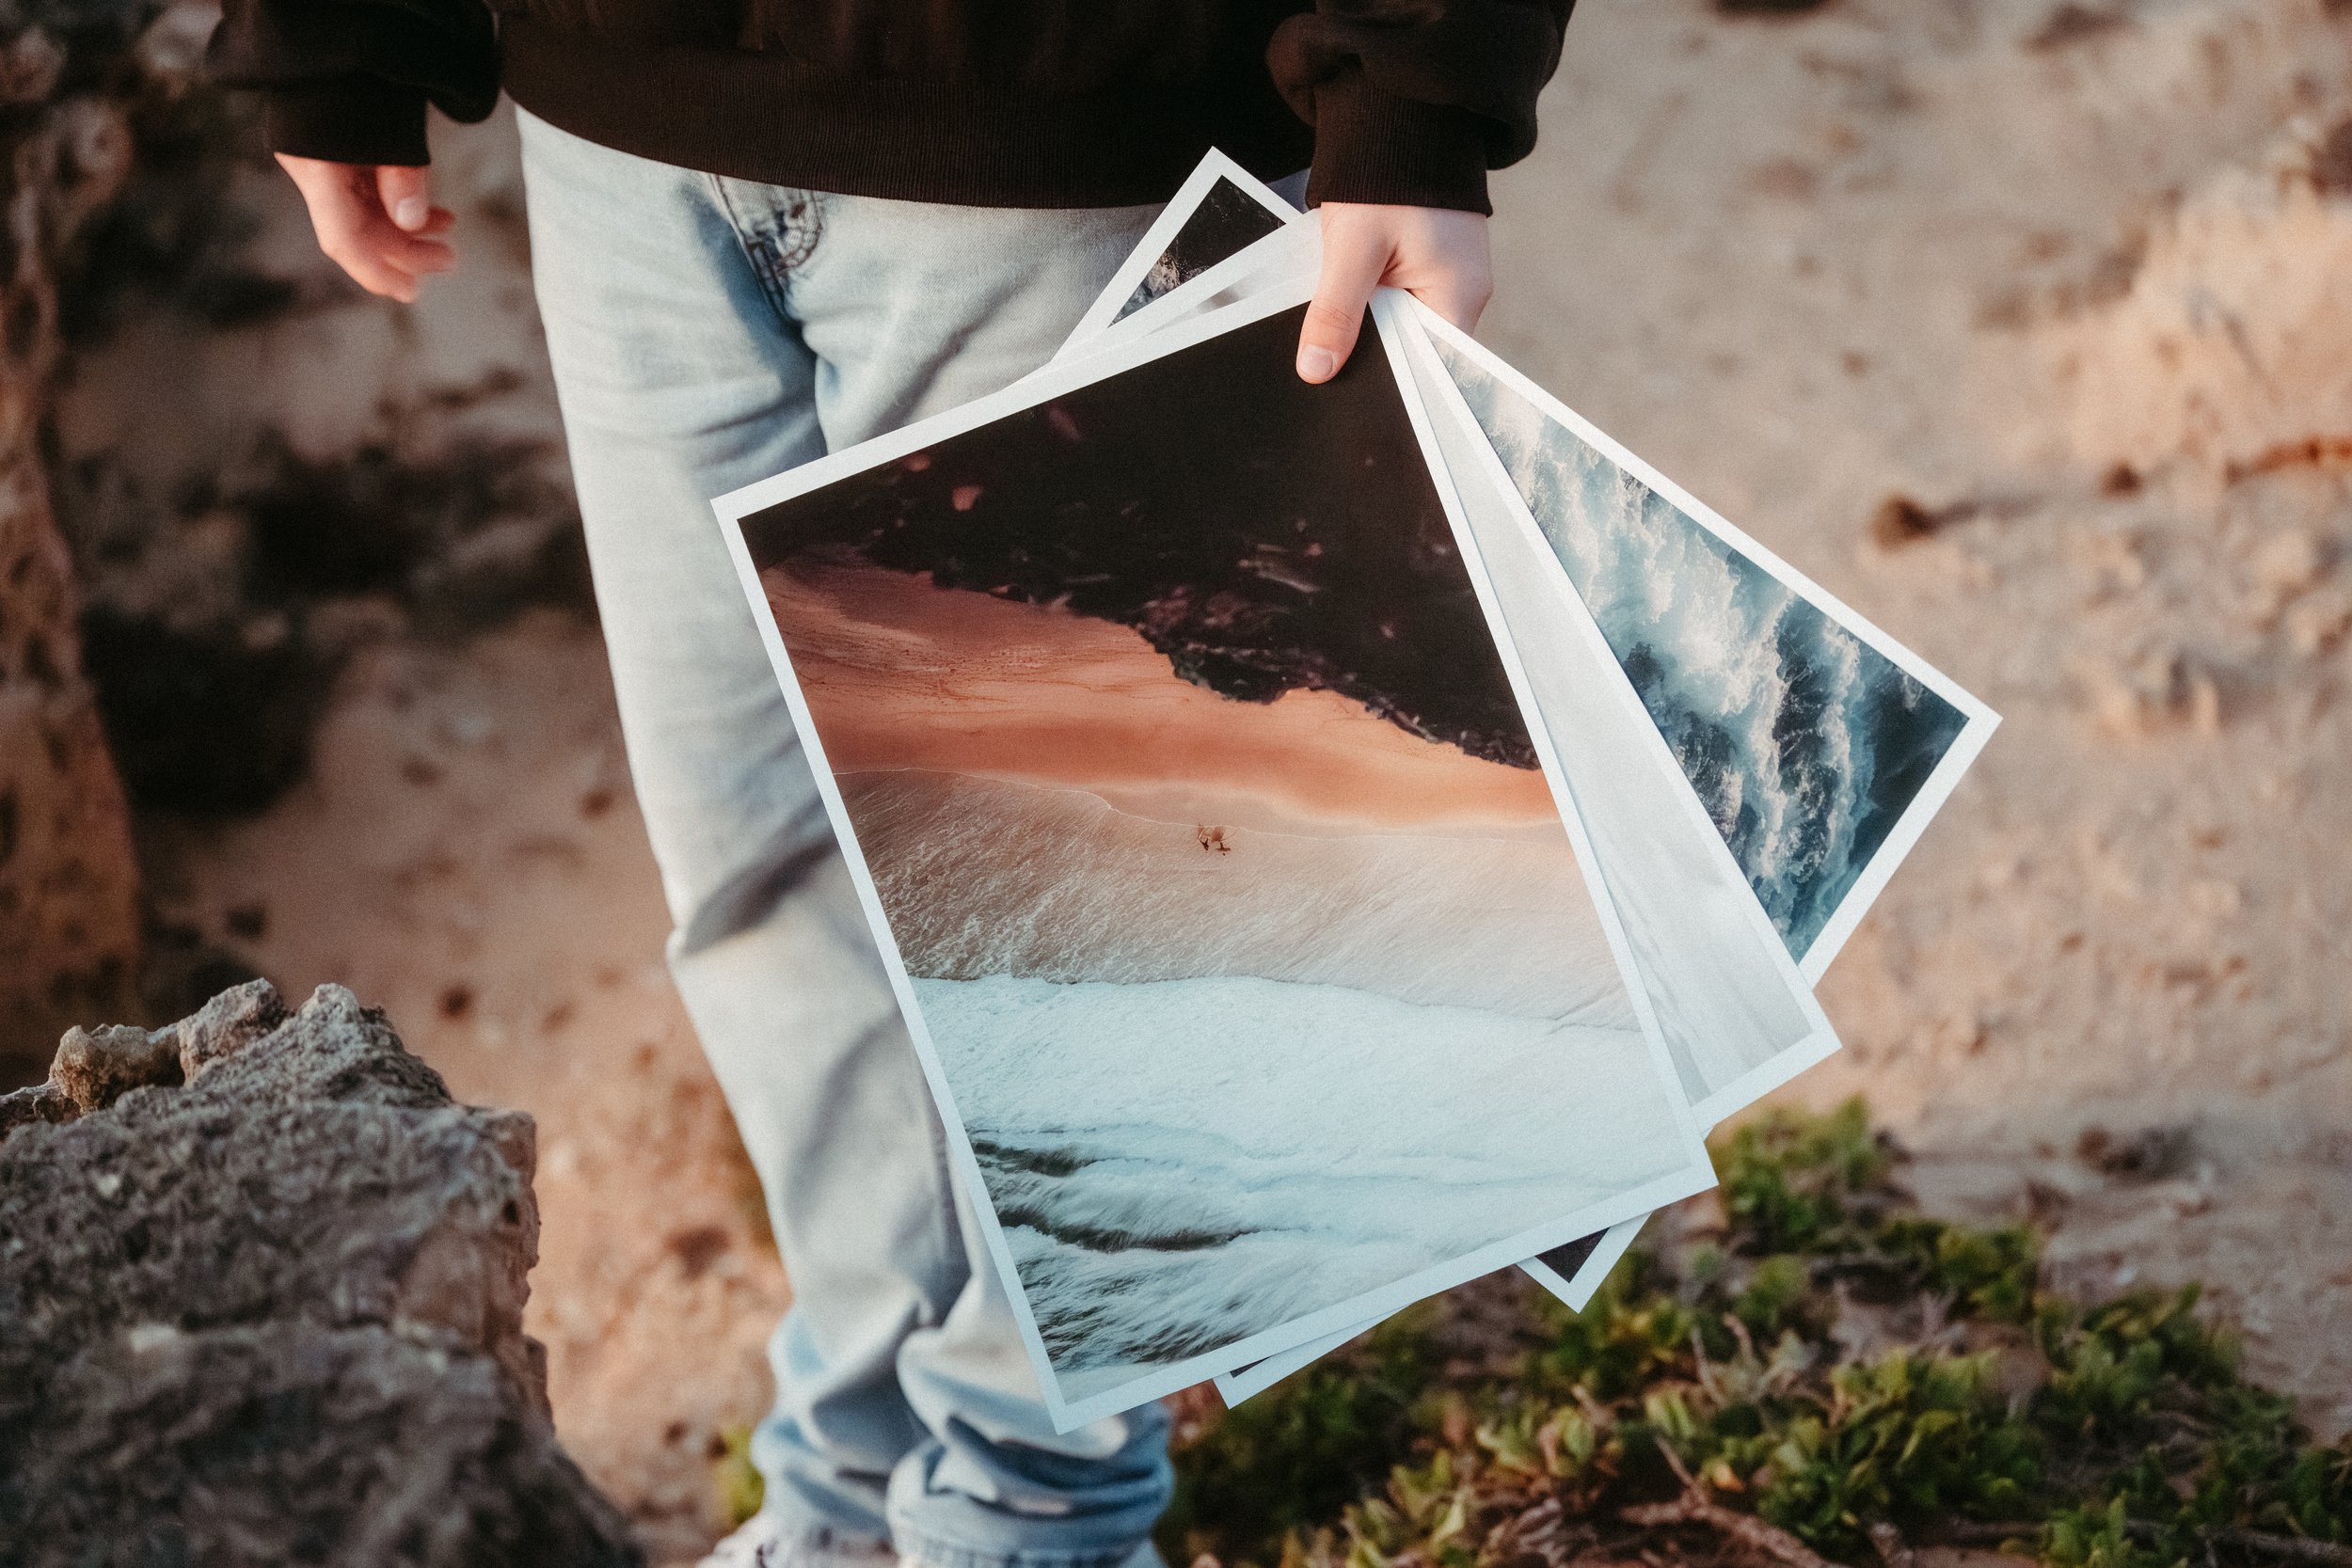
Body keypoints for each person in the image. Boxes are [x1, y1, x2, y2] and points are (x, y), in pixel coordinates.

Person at [205, 3, 1571, 1563]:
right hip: (615, 124)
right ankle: (854, 1490)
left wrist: (1418, 87)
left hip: (1068, 128)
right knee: (756, 871)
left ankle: (1029, 1516)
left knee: (1085, 906)